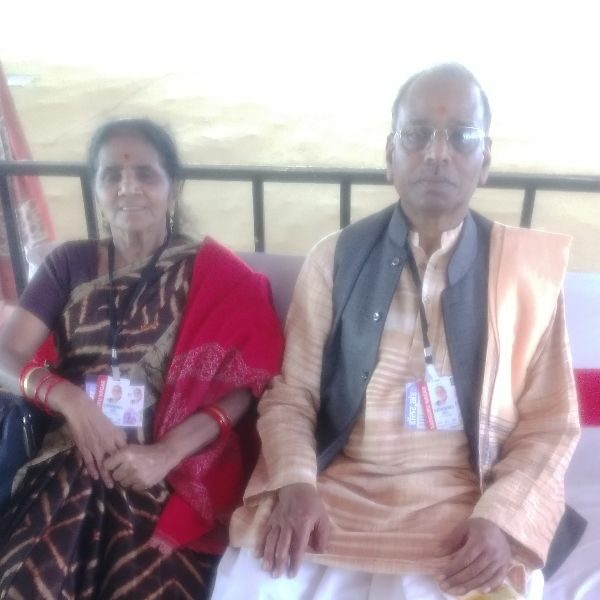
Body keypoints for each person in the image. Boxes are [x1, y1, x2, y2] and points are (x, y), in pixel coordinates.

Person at [211, 64, 580, 599]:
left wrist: (501, 519)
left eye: (461, 136)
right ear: (390, 155)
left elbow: (549, 424)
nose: (437, 153)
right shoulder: (333, 259)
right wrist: (295, 484)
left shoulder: (525, 274)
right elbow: (292, 396)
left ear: (485, 161)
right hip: (337, 493)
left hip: (465, 502)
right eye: (417, 134)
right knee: (257, 583)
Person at [0, 118, 283, 598]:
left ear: (173, 188)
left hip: (169, 475)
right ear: (96, 189)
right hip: (72, 461)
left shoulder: (213, 274)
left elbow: (247, 385)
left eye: (146, 175)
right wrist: (68, 398)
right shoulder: (69, 264)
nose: (128, 188)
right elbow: (6, 356)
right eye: (111, 175)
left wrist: (166, 452)